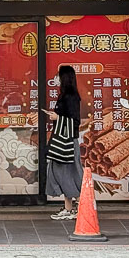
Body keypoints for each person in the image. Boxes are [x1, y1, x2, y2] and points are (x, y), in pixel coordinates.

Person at [42, 65, 82, 220]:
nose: (56, 78)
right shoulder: (64, 95)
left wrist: (57, 118)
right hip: (62, 141)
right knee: (64, 174)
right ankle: (68, 208)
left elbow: (75, 121)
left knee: (70, 174)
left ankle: (81, 207)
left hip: (67, 143)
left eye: (58, 76)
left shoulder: (70, 97)